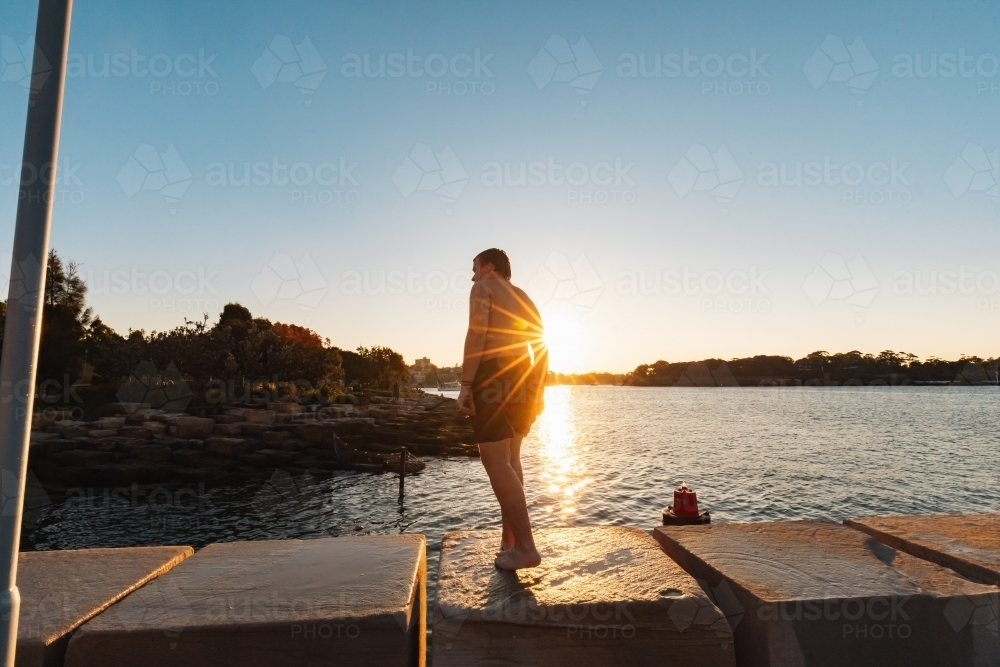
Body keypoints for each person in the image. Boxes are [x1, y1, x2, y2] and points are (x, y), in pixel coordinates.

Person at [457, 248, 547, 570]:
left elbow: (477, 333)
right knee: (511, 459)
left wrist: (466, 385)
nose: (472, 276)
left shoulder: (483, 288)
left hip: (493, 375)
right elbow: (541, 343)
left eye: (474, 267)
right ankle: (510, 542)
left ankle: (525, 547)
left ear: (489, 266)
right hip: (524, 376)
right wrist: (537, 390)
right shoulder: (523, 296)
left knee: (495, 460)